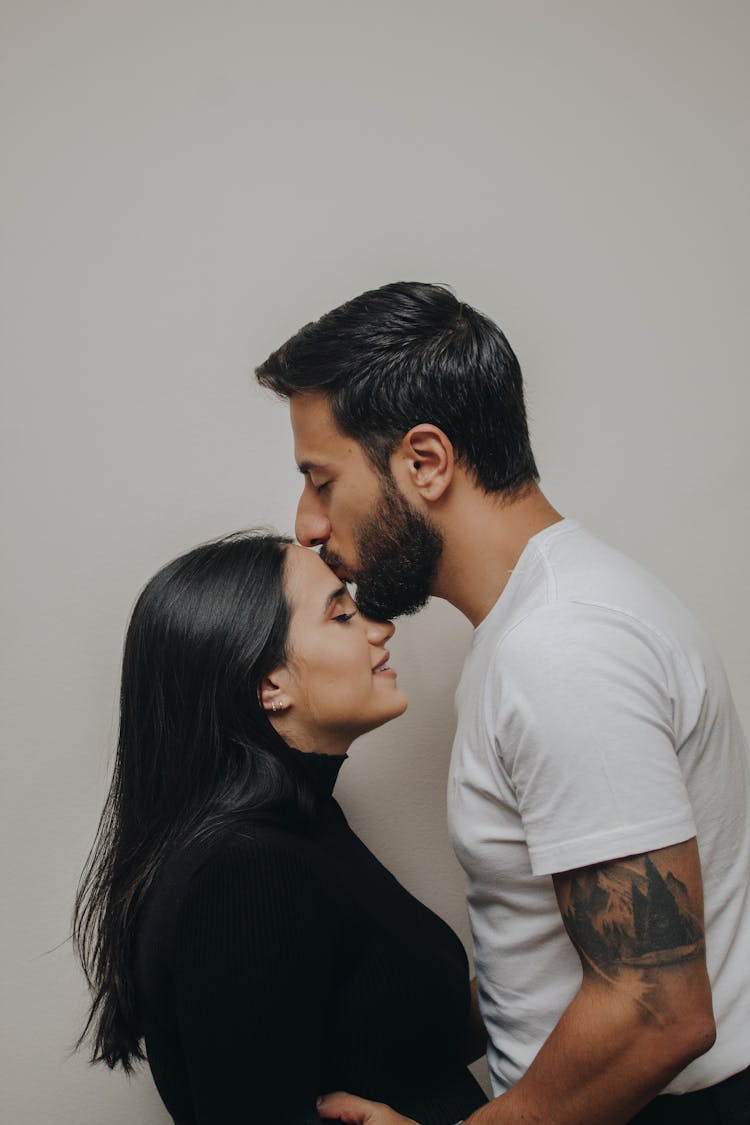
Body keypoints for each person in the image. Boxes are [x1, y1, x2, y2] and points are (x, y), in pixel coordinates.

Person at [255, 282, 750, 1124]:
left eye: (322, 479)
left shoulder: (562, 647)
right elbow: (558, 956)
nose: (307, 524)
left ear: (426, 461)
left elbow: (657, 1012)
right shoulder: (546, 618)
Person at [73, 531, 489, 1125]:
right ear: (270, 686)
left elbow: (391, 1052)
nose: (380, 629)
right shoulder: (241, 869)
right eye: (341, 615)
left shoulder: (300, 820)